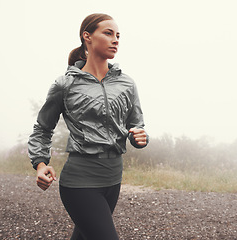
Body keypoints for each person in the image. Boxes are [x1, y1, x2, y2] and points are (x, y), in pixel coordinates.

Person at [28, 13, 148, 240]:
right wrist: (40, 163)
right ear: (87, 37)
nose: (116, 40)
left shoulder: (127, 83)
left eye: (118, 35)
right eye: (108, 33)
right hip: (80, 180)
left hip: (113, 178)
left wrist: (140, 137)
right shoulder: (65, 84)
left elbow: (136, 125)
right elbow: (43, 128)